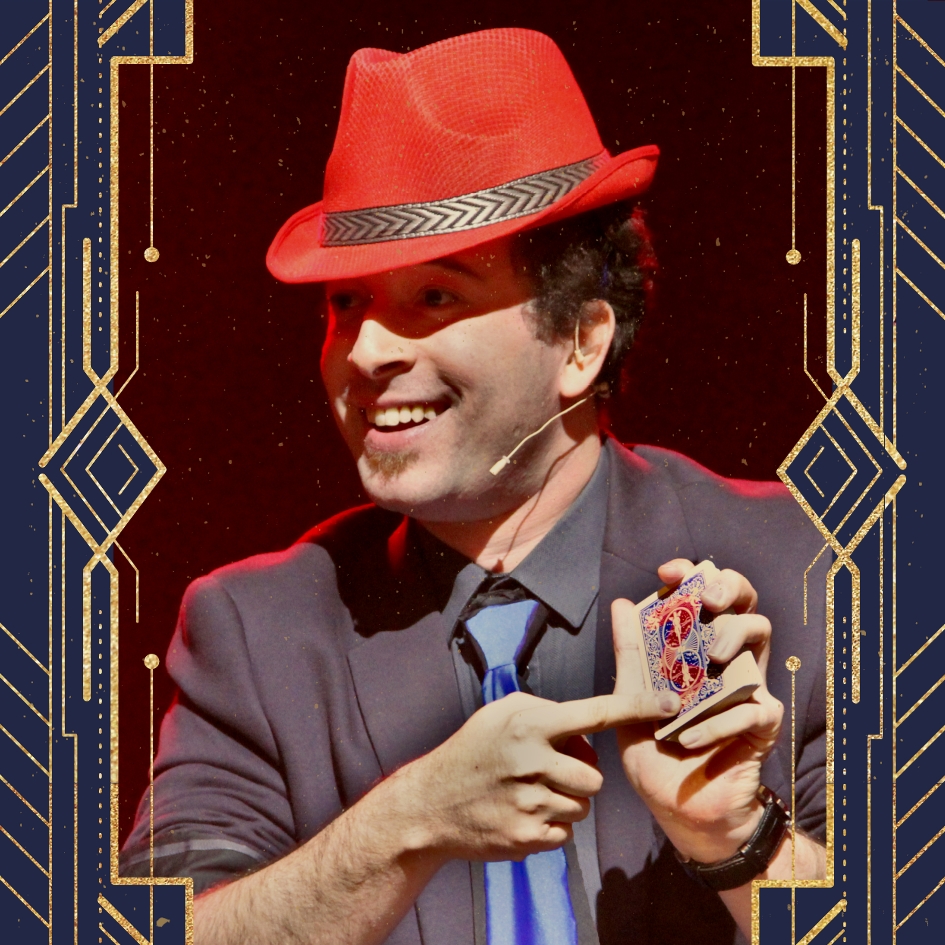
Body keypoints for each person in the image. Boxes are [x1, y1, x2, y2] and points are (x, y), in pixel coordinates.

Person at [121, 28, 828, 945]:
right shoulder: (256, 632)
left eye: (435, 296)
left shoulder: (811, 572)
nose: (368, 351)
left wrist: (736, 840)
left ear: (580, 341)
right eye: (347, 303)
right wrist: (404, 824)